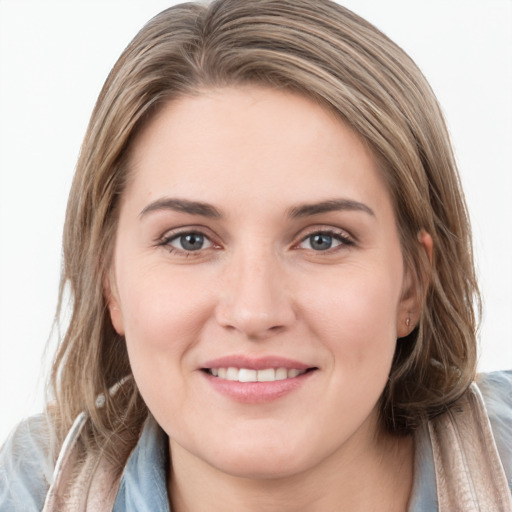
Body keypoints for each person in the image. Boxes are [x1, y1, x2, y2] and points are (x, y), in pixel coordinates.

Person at [1, 0, 511, 510]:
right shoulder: (32, 488)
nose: (254, 312)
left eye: (323, 239)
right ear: (109, 281)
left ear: (412, 283)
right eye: (189, 240)